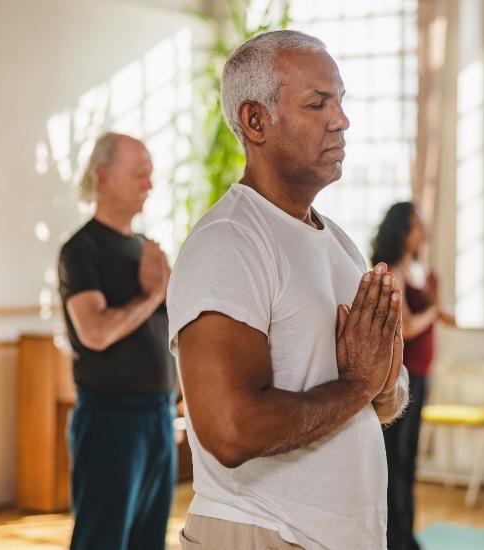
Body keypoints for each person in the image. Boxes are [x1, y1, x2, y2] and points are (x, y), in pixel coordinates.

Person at [166, 30, 410, 550]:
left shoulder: (340, 243)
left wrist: (383, 378)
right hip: (259, 533)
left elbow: (377, 405)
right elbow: (230, 430)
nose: (341, 119)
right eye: (318, 103)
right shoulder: (230, 241)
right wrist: (357, 385)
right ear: (256, 121)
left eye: (340, 100)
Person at [58, 132, 176, 550]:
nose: (149, 184)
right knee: (101, 540)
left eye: (150, 174)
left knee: (150, 542)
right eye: (139, 174)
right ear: (104, 178)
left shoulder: (148, 251)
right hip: (111, 419)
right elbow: (96, 332)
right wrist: (152, 296)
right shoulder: (80, 249)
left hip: (159, 415)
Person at [371, 202, 455, 550]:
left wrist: (436, 299)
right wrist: (434, 308)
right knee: (396, 460)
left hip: (421, 376)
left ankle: (407, 534)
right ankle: (394, 538)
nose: (424, 233)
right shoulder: (394, 271)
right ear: (403, 231)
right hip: (400, 380)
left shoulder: (416, 270)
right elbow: (404, 327)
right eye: (418, 226)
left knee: (410, 460)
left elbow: (449, 317)